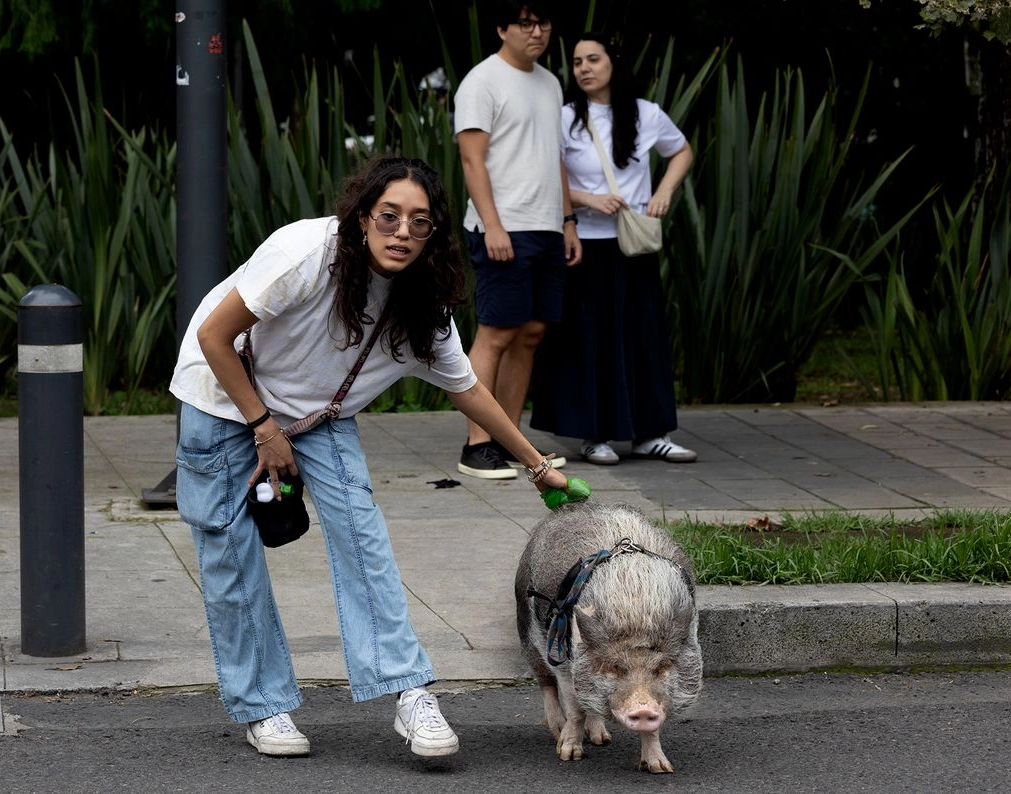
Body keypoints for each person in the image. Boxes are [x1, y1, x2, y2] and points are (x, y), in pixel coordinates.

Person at [169, 154, 572, 759]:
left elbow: (469, 390)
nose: (402, 232)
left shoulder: (422, 304)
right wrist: (262, 427)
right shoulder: (306, 253)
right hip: (225, 394)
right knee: (230, 557)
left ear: (434, 232)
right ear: (362, 217)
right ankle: (266, 708)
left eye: (420, 221)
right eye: (389, 216)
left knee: (365, 541)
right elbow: (213, 337)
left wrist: (537, 465)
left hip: (316, 413)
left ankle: (410, 694)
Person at [530, 31, 697, 465]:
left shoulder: (647, 114)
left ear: (613, 64)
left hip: (634, 243)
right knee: (588, 339)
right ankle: (593, 435)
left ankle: (650, 434)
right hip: (585, 244)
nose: (583, 68)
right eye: (577, 61)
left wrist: (663, 192)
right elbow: (551, 176)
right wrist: (588, 200)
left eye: (593, 59)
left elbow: (681, 152)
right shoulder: (565, 117)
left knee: (643, 335)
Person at [452, 0, 581, 480]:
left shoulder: (549, 83)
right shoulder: (481, 81)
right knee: (496, 333)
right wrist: (493, 225)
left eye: (544, 22)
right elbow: (472, 160)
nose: (537, 31)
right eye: (525, 23)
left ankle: (512, 442)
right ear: (502, 28)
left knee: (530, 334)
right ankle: (477, 445)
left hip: (546, 227)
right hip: (502, 227)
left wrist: (568, 220)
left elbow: (556, 157)